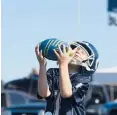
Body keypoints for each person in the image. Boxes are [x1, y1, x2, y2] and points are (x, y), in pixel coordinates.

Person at [35, 41, 99, 115]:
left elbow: (66, 93)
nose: (77, 51)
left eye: (83, 52)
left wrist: (63, 64)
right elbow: (43, 93)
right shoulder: (52, 72)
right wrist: (42, 65)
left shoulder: (83, 79)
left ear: (89, 61)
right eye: (74, 49)